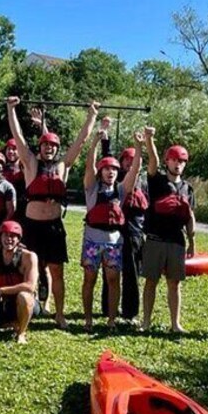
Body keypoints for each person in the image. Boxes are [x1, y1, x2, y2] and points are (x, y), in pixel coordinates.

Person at [7, 96, 100, 328]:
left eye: (53, 146)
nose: (49, 149)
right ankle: (24, 311)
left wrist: (92, 116)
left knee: (57, 271)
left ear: (57, 149)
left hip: (54, 227)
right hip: (32, 227)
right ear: (40, 148)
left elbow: (81, 141)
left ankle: (59, 314)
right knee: (30, 269)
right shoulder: (30, 163)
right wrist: (11, 110)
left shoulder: (62, 166)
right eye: (46, 145)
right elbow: (18, 137)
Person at [80, 126, 143, 331]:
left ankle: (111, 320)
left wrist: (139, 146)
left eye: (115, 170)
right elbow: (89, 165)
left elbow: (134, 170)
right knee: (90, 279)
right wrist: (95, 143)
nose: (111, 172)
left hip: (114, 241)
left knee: (113, 279)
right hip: (92, 240)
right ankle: (88, 319)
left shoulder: (121, 189)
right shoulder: (92, 187)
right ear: (101, 171)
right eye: (107, 169)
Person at [139, 127, 196, 333]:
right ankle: (145, 321)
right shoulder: (157, 180)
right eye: (174, 160)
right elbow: (152, 161)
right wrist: (149, 139)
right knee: (151, 282)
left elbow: (190, 216)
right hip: (155, 239)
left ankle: (175, 324)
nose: (178, 164)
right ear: (167, 162)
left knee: (174, 284)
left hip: (176, 241)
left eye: (181, 161)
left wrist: (192, 242)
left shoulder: (188, 189)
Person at [100, 137, 149, 324]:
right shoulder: (116, 181)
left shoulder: (144, 183)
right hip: (115, 232)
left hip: (135, 234)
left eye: (133, 159)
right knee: (110, 272)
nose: (129, 162)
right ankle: (108, 308)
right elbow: (107, 159)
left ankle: (130, 312)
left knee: (132, 274)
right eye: (126, 159)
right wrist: (106, 141)